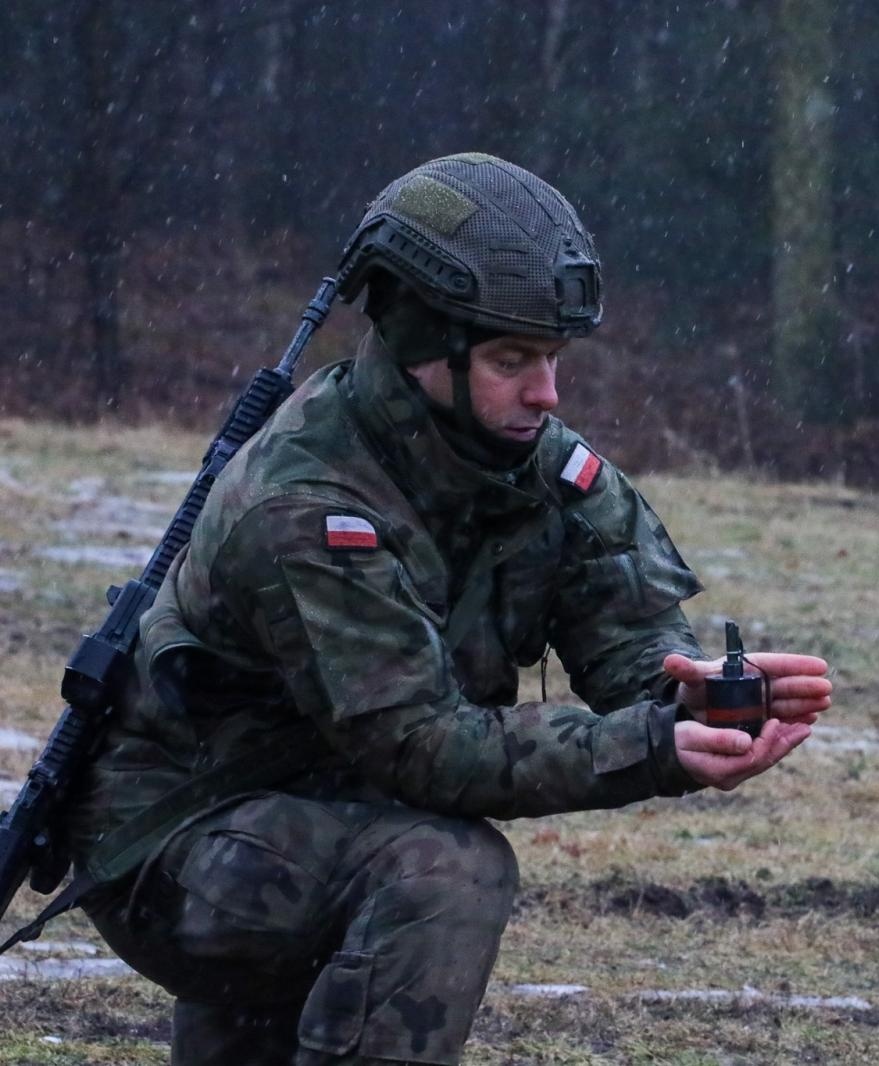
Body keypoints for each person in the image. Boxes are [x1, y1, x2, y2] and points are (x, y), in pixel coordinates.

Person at [64, 153, 833, 1065]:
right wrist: (651, 751)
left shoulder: (533, 461)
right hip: (182, 849)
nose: (547, 394)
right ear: (423, 349)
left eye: (552, 358)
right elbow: (426, 749)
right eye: (513, 360)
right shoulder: (307, 503)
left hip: (333, 814)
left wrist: (693, 699)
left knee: (400, 862)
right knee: (447, 872)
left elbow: (631, 638)